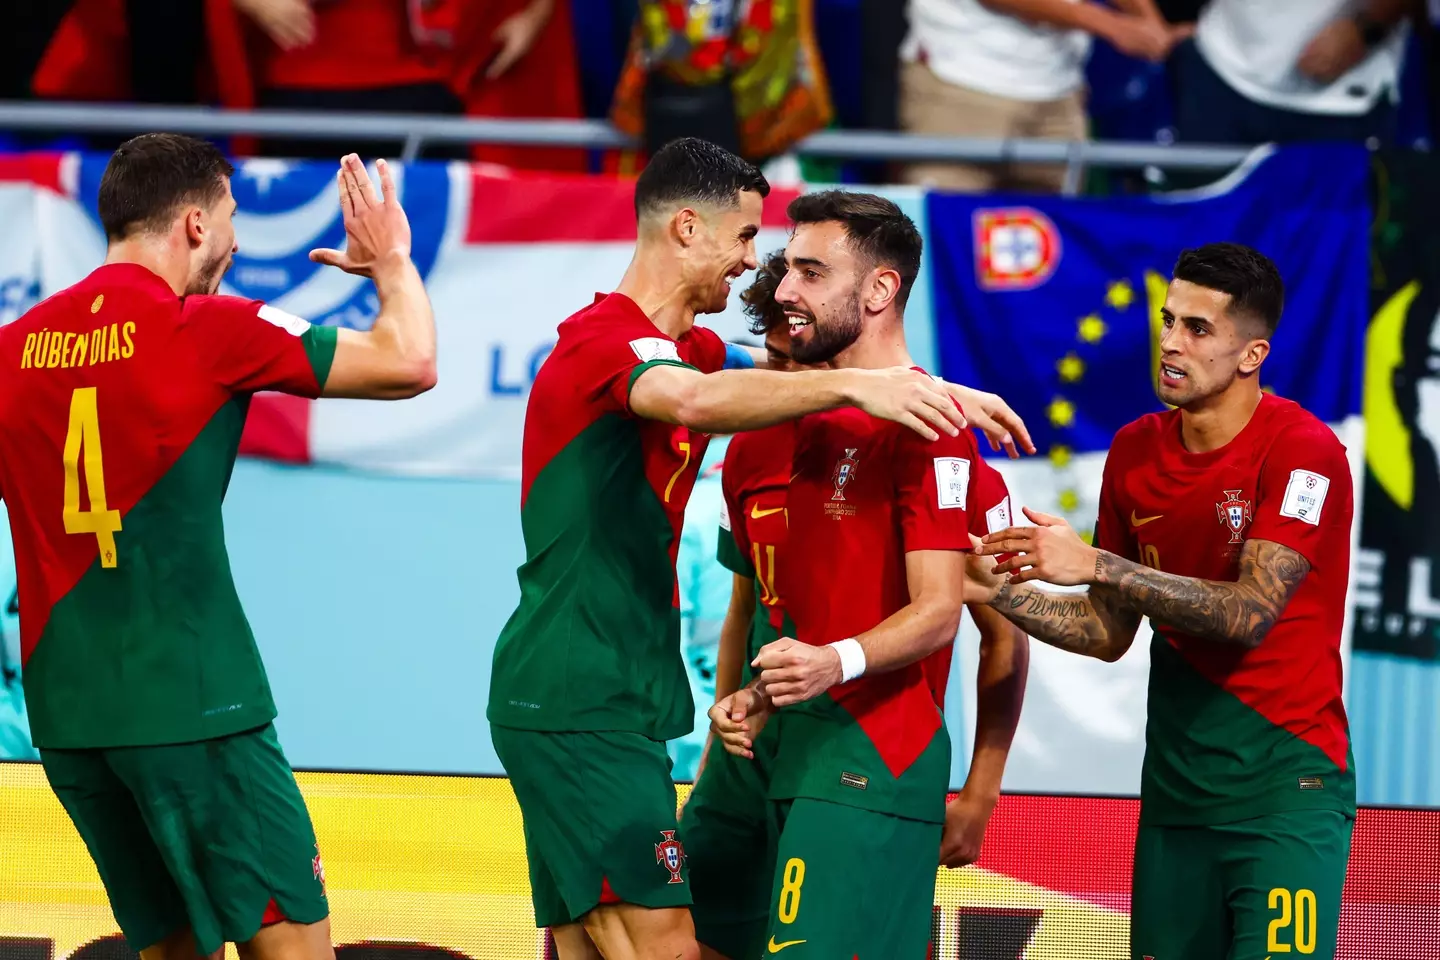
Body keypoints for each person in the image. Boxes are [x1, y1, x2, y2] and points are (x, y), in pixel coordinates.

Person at [485, 140, 1031, 960]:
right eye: (748, 242)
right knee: (661, 944)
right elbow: (700, 400)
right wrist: (865, 384)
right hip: (578, 693)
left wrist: (937, 392)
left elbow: (769, 371)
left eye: (793, 264)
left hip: (623, 703)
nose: (758, 270)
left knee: (590, 945)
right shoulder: (610, 344)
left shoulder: (701, 356)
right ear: (685, 228)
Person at [0, 134, 435, 960]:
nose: (235, 247)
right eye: (232, 222)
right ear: (195, 225)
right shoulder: (202, 327)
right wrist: (391, 262)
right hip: (199, 709)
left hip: (70, 722)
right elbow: (409, 361)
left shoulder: (14, 348)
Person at [969, 243, 1356, 960]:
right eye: (1168, 319)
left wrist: (1096, 563)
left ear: (1252, 354)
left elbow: (1249, 614)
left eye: (1198, 329)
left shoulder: (1306, 452)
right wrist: (990, 588)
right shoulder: (1134, 451)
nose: (1171, 342)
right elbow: (1107, 631)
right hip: (1175, 803)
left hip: (1284, 795)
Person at [684, 246, 1028, 960]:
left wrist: (981, 792)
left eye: (803, 367)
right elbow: (746, 611)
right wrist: (724, 735)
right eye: (777, 367)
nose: (791, 385)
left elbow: (1006, 635)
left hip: (868, 748)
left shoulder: (941, 454)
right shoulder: (748, 451)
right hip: (757, 750)